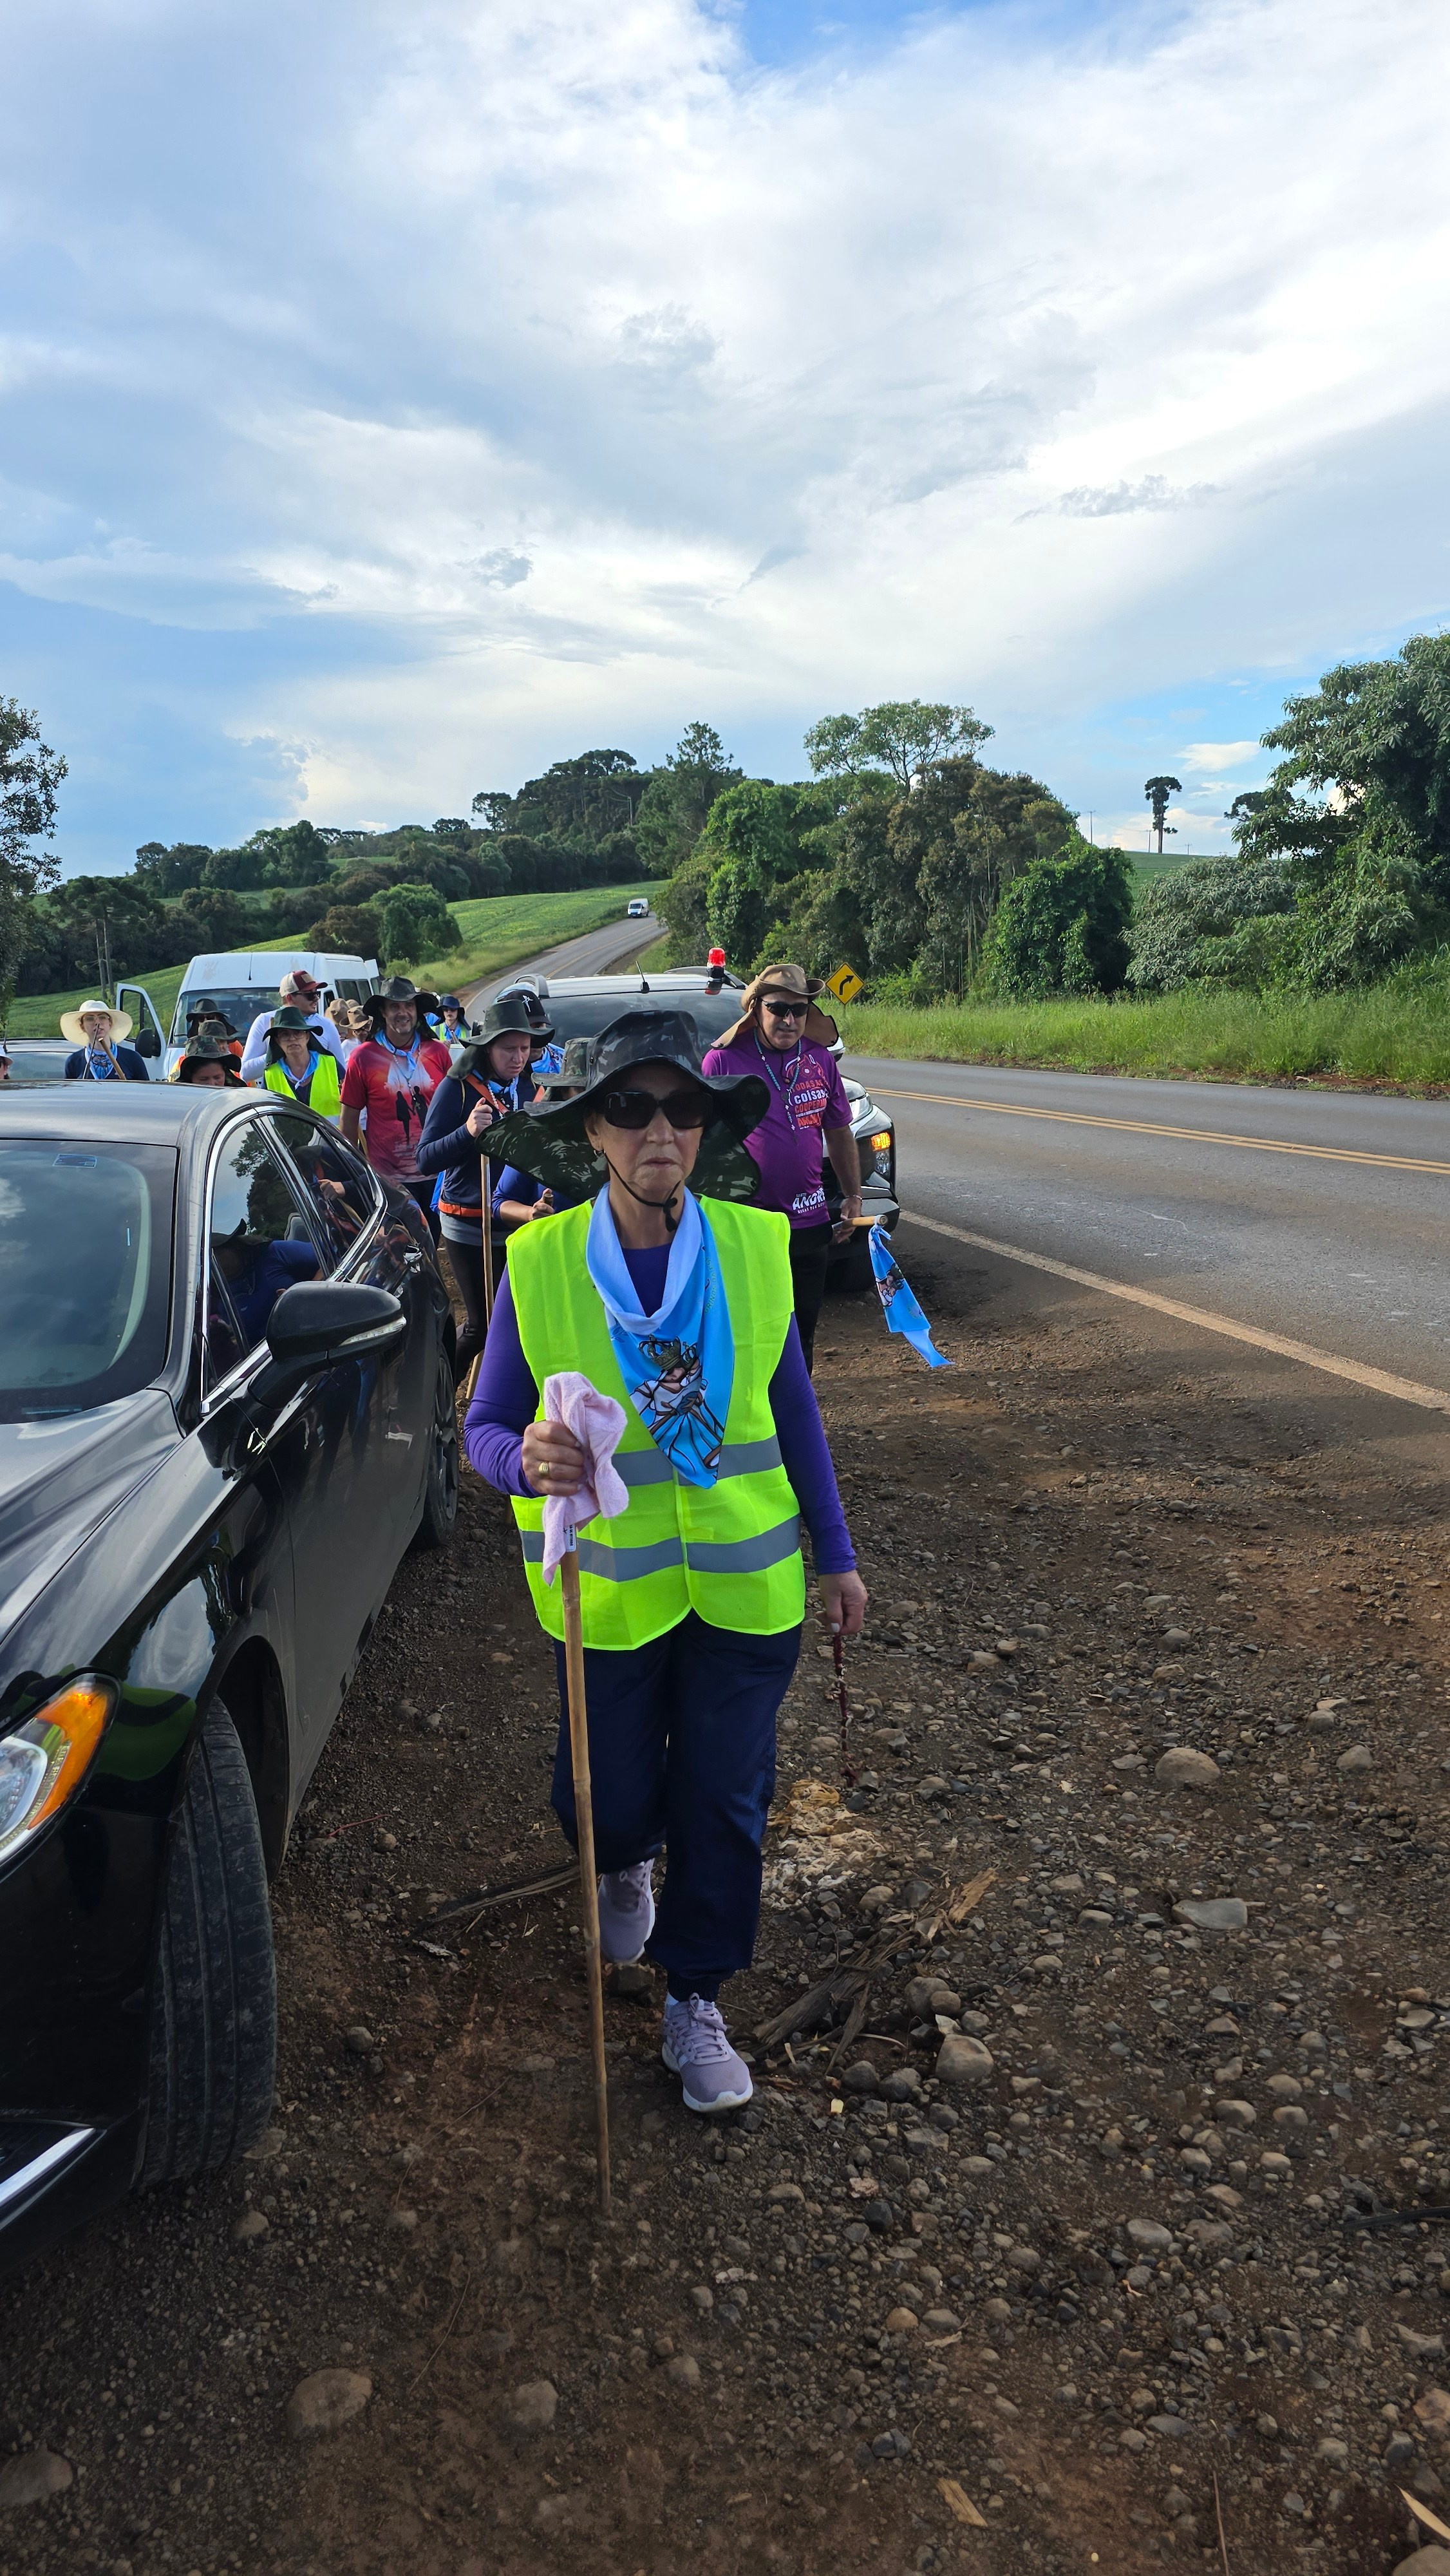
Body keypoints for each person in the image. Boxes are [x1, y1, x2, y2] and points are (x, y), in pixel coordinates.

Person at [463, 1009, 867, 2116]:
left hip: (746, 1587)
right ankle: (622, 1857)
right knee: (601, 1793)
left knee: (726, 1799)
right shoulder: (541, 1262)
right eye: (631, 1108)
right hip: (611, 1596)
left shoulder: (752, 1251)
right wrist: (523, 1459)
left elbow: (795, 1413)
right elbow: (485, 1424)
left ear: (704, 1130)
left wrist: (835, 1557)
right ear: (593, 1129)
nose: (660, 1130)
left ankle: (697, 1998)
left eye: (683, 1108)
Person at [701, 963, 861, 1374]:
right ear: (757, 1009)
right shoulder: (723, 1062)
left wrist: (853, 1196)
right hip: (748, 1224)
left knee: (802, 1330)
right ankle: (752, 1420)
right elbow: (703, 1143)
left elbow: (839, 1131)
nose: (789, 1020)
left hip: (808, 1222)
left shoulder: (821, 1060)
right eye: (778, 1009)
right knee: (752, 1329)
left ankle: (795, 1423)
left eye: (799, 1010)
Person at [416, 994, 551, 1381]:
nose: (518, 1057)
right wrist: (468, 1131)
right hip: (467, 1224)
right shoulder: (457, 1088)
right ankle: (435, 1395)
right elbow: (425, 1159)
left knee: (517, 1323)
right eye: (509, 1048)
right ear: (488, 1048)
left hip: (515, 1220)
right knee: (480, 1327)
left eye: (525, 1048)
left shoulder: (529, 1088)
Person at [340, 976, 453, 1231]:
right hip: (390, 1179)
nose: (403, 1013)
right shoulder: (363, 1058)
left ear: (417, 1011)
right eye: (395, 1007)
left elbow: (455, 1108)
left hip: (438, 1174)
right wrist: (355, 1171)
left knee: (432, 1245)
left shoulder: (438, 1052)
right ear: (383, 1011)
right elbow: (349, 1120)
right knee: (402, 1252)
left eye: (409, 1006)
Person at [490, 1037, 588, 1228]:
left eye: (597, 1089)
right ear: (565, 1091)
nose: (589, 1098)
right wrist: (531, 1213)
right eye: (581, 1089)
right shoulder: (536, 1137)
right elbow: (500, 1203)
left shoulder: (624, 1139)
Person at [240, 969, 349, 1083]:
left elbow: (342, 1075)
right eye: (310, 995)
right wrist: (277, 1052)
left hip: (318, 1098)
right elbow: (246, 1073)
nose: (316, 998)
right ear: (290, 998)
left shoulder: (326, 1025)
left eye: (317, 993)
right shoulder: (264, 1022)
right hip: (278, 1099)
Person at [257, 1005, 344, 1119]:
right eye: (285, 1034)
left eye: (297, 1032)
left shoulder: (331, 1064)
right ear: (277, 1041)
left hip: (331, 1136)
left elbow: (352, 1105)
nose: (292, 1039)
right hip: (289, 1137)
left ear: (307, 1036)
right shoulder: (270, 1075)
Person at [61, 1001, 150, 1082]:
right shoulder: (73, 1061)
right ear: (82, 1026)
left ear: (110, 1023)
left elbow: (147, 1096)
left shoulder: (132, 1058)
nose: (97, 1023)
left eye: (102, 1017)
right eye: (90, 1019)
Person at [174, 1035, 243, 1088]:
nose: (212, 1084)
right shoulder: (178, 1102)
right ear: (190, 1078)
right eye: (203, 1079)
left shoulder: (237, 1099)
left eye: (217, 1078)